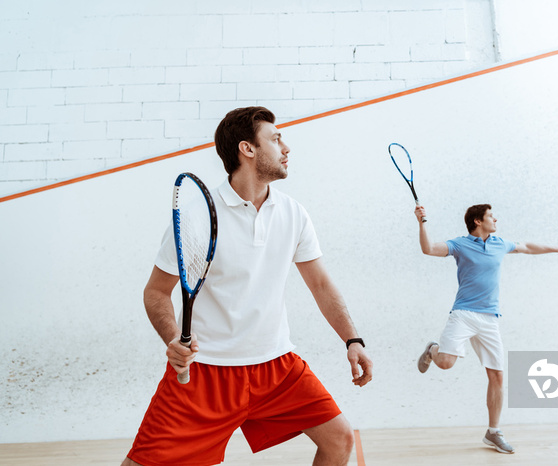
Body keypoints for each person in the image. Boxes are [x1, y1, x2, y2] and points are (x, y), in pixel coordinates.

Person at [122, 106, 372, 466]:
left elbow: (320, 283)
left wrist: (352, 339)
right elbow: (156, 292)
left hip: (277, 366)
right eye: (276, 138)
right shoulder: (196, 217)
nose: (286, 147)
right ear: (247, 149)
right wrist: (173, 338)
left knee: (339, 439)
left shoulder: (293, 213)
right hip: (206, 372)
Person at [414, 203, 558, 454]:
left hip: (490, 318)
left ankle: (493, 432)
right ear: (478, 221)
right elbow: (428, 249)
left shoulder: (499, 243)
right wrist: (422, 222)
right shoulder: (460, 245)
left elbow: (527, 247)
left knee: (497, 376)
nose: (496, 219)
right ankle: (432, 350)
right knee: (446, 363)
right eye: (491, 216)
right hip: (464, 314)